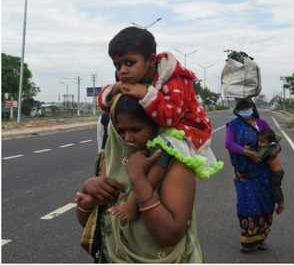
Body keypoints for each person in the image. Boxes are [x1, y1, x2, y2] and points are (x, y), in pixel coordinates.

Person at [95, 26, 223, 220]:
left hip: (188, 129)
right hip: (166, 126)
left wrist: (145, 94)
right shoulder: (131, 77)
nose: (122, 71)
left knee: (163, 149)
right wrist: (113, 91)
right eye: (117, 65)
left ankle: (134, 202)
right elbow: (104, 104)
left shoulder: (175, 77)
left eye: (130, 63)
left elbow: (169, 118)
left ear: (151, 60)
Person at [76, 94, 203, 262]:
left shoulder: (176, 164)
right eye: (121, 130)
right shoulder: (109, 157)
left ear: (156, 125)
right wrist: (87, 199)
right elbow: (97, 223)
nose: (127, 138)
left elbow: (169, 235)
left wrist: (138, 179)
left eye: (136, 129)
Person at [225, 98, 284, 253]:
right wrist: (247, 152)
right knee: (247, 205)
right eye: (241, 110)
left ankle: (262, 237)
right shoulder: (234, 125)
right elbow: (229, 144)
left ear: (252, 108)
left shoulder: (262, 124)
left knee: (266, 204)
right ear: (237, 111)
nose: (245, 112)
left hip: (264, 172)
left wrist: (274, 150)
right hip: (245, 172)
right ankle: (248, 240)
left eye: (247, 108)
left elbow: (273, 141)